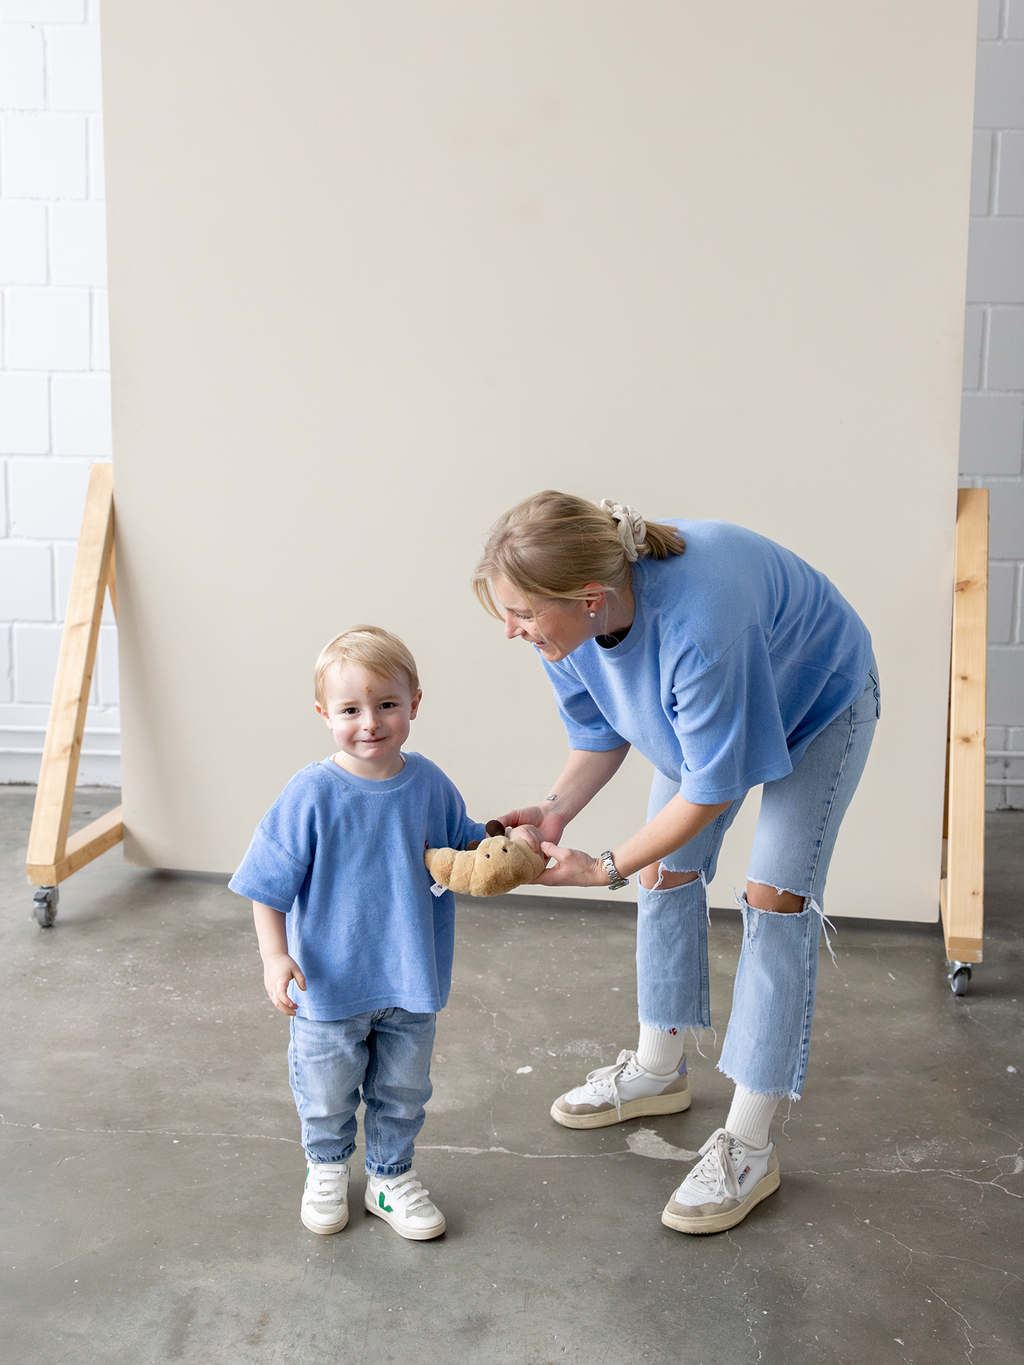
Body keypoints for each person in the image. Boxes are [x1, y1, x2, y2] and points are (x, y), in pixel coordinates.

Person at [475, 491, 879, 1235]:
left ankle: (750, 1144)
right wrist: (556, 811)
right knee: (664, 871)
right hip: (717, 704)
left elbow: (708, 789)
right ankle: (658, 1068)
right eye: (507, 612)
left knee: (776, 901)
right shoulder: (565, 631)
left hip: (820, 701)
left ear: (589, 597)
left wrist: (602, 867)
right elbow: (600, 734)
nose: (511, 630)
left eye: (523, 614)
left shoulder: (699, 624)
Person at [229, 625, 487, 1241]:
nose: (369, 723)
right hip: (328, 983)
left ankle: (389, 1177)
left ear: (414, 704)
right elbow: (267, 885)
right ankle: (326, 1168)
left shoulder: (428, 783)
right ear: (325, 714)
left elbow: (469, 846)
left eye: (387, 705)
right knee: (326, 1093)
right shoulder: (312, 792)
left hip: (410, 978)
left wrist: (513, 846)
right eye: (350, 710)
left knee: (402, 1089)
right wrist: (274, 957)